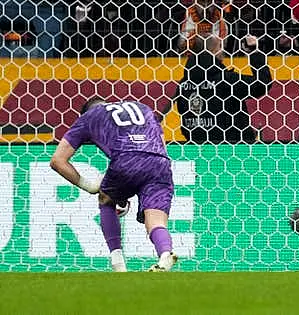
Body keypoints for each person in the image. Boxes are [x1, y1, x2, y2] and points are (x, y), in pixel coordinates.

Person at [49, 98, 178, 272]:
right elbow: (161, 146)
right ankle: (164, 254)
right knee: (155, 220)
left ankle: (118, 265)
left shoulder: (90, 117)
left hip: (126, 158)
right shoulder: (144, 108)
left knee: (105, 199)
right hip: (160, 163)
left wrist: (92, 187)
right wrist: (124, 192)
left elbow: (57, 161)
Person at [176, 33, 273, 143]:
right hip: (232, 151)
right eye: (220, 47)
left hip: (197, 148)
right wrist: (254, 52)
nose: (223, 51)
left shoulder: (183, 84)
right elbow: (262, 84)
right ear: (213, 51)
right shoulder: (226, 81)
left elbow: (183, 116)